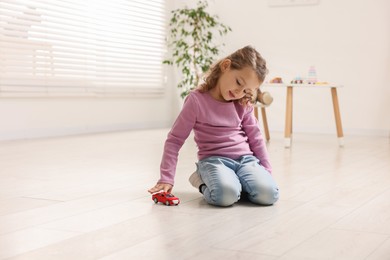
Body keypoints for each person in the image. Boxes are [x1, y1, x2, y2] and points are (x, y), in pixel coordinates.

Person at [148, 46, 279, 207]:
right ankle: (201, 179)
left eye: (246, 90)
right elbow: (174, 140)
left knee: (269, 195)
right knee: (224, 196)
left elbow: (256, 138)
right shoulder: (196, 101)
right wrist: (166, 178)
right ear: (225, 66)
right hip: (215, 161)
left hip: (246, 160)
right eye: (238, 82)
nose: (239, 92)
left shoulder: (243, 103)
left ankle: (236, 184)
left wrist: (266, 171)